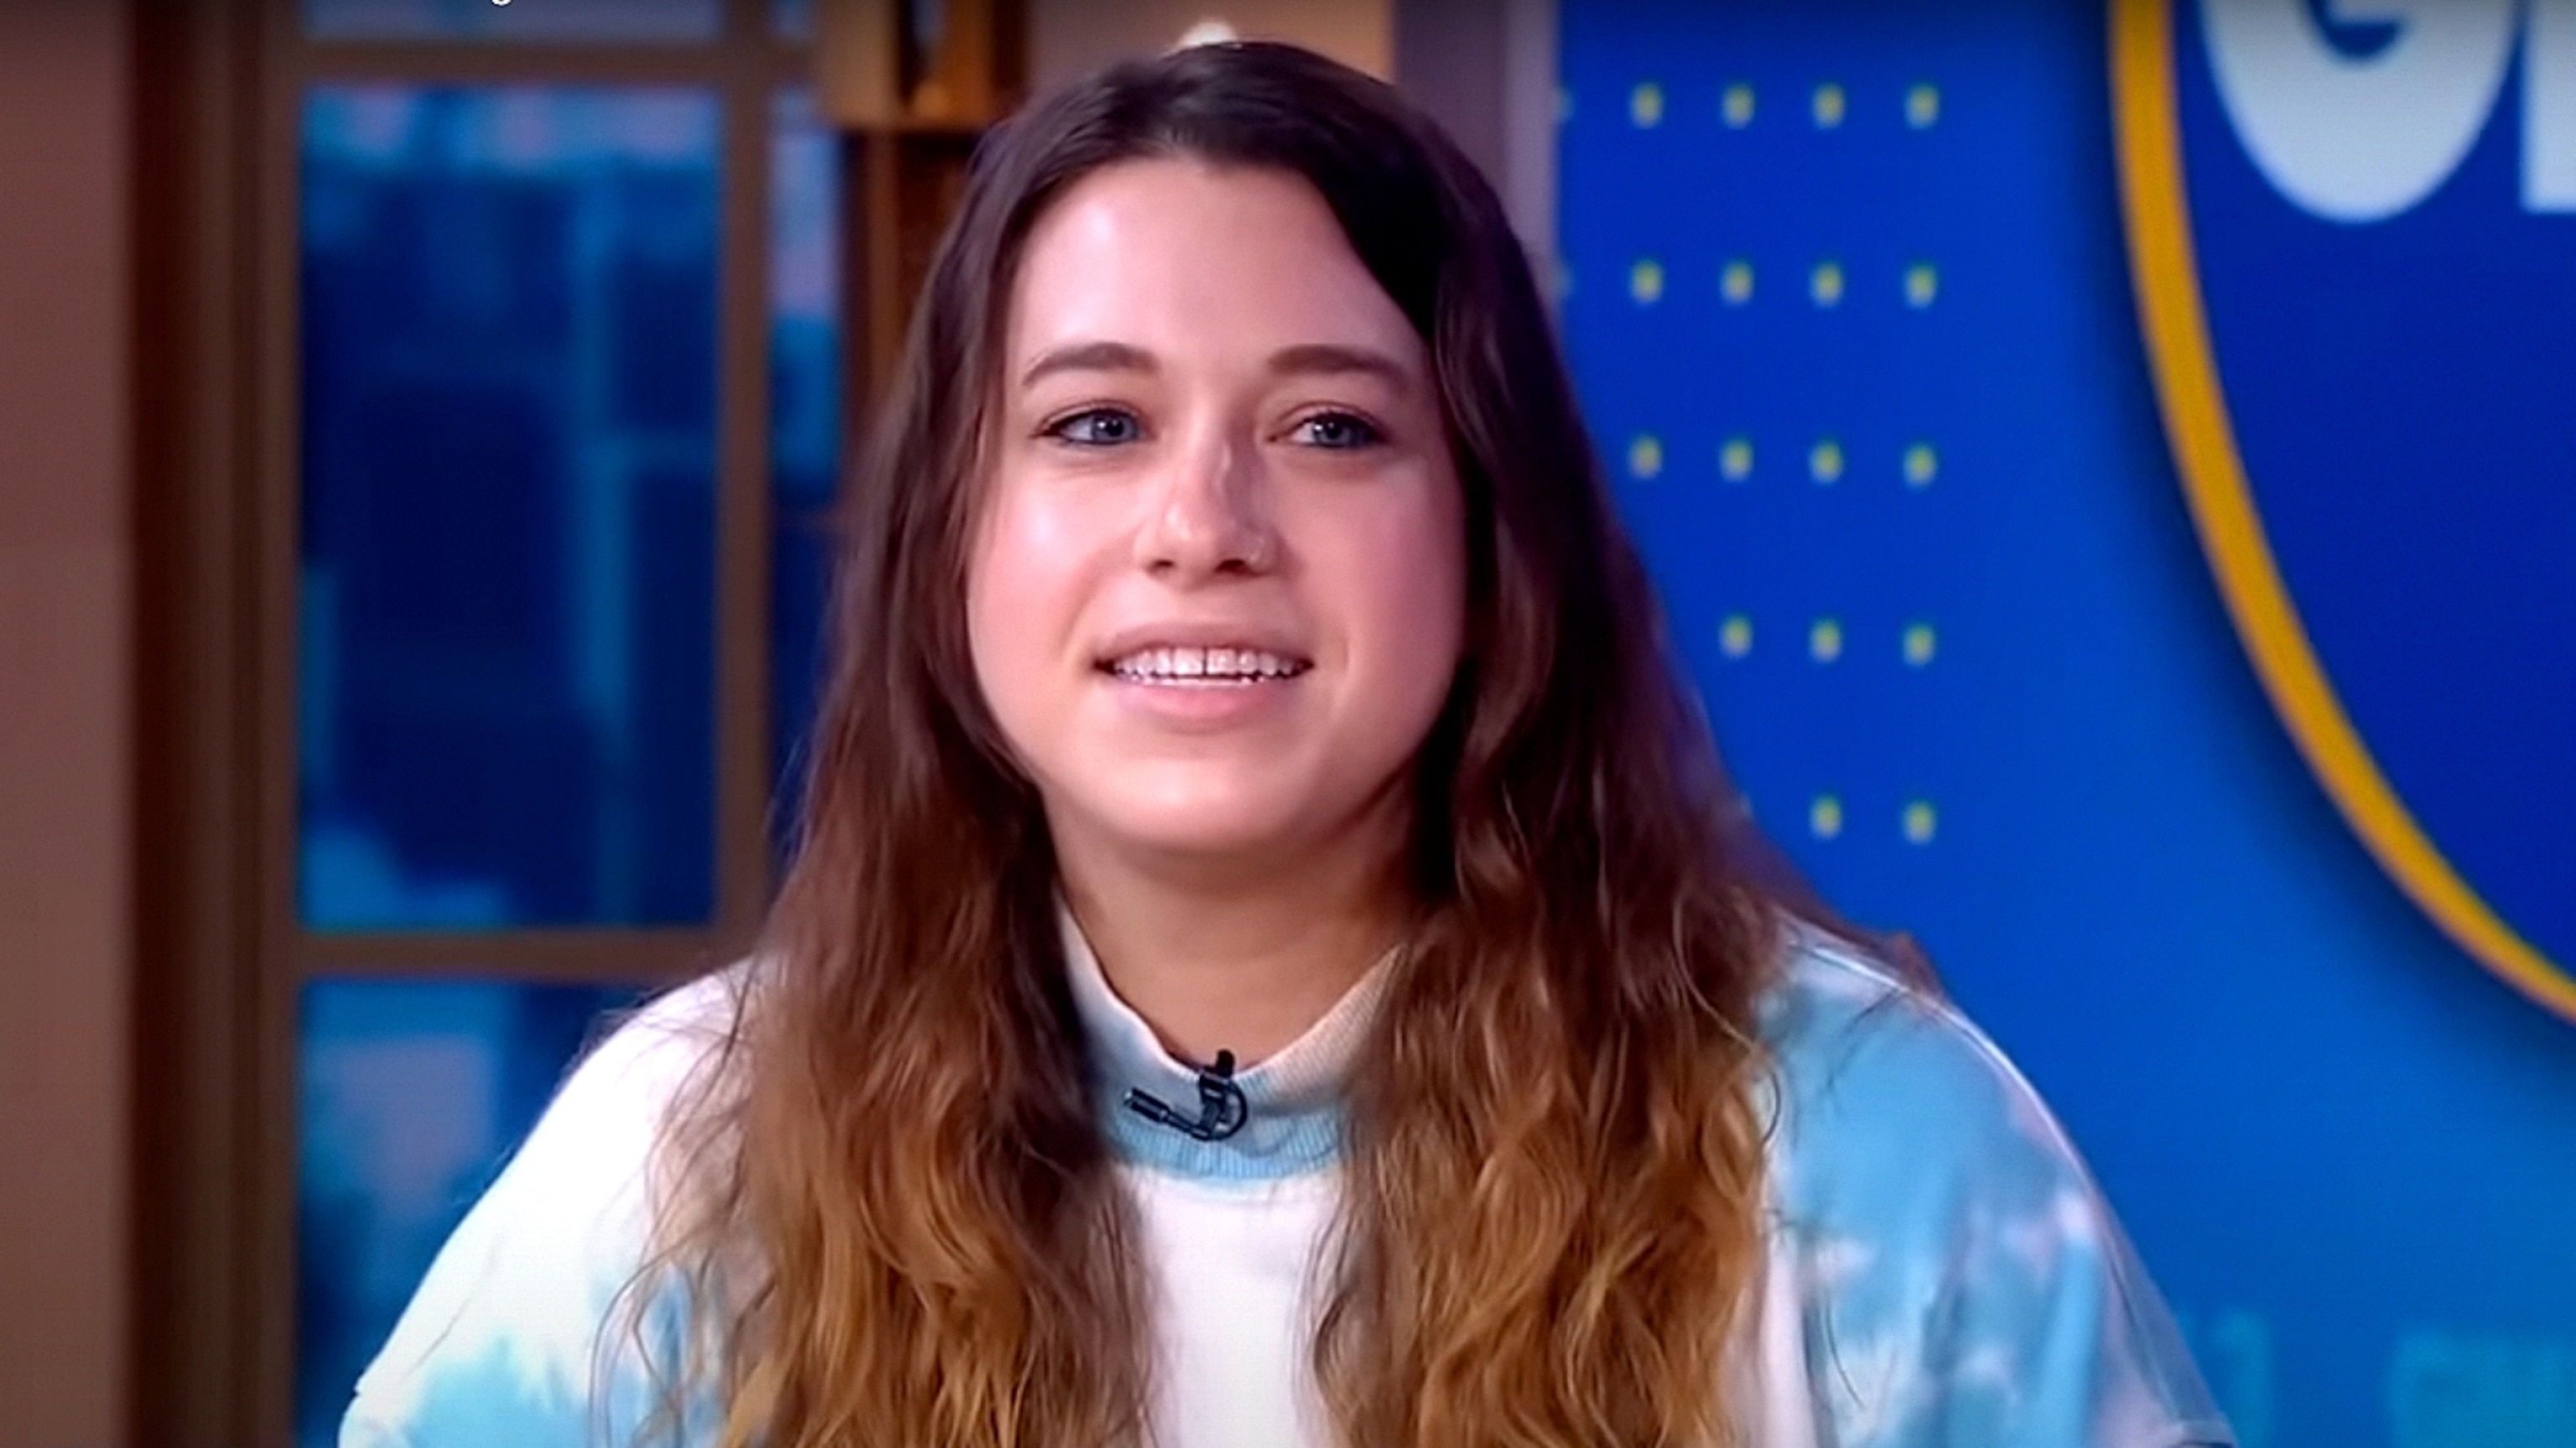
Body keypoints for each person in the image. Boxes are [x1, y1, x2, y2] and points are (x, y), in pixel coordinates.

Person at [341, 39, 2234, 1448]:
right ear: (951, 547)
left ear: (1496, 533)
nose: (1205, 522)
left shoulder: (1867, 1160)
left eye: (1332, 428)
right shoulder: (685, 1167)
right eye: (1094, 426)